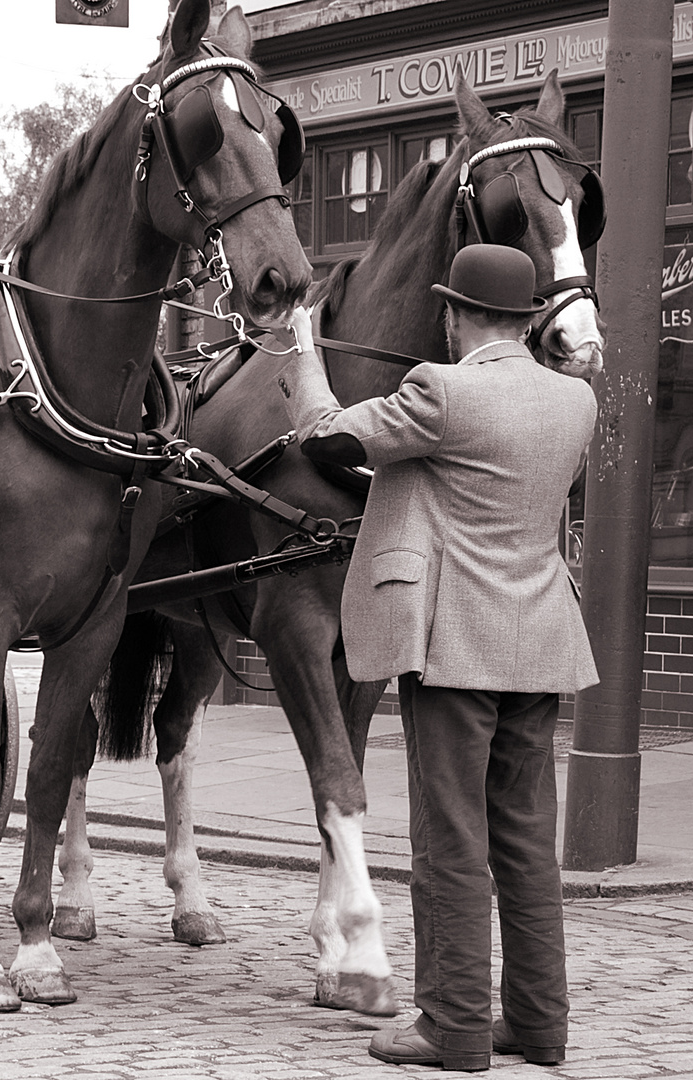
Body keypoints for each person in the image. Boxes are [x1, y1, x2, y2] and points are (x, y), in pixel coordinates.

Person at [271, 244, 599, 1072]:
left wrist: (305, 354)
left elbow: (324, 437)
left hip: (455, 645)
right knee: (525, 843)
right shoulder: (574, 402)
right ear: (526, 321)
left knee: (449, 842)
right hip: (540, 641)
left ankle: (450, 1026)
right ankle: (537, 1025)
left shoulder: (441, 392)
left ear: (454, 316)